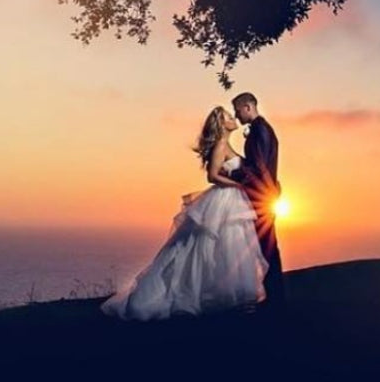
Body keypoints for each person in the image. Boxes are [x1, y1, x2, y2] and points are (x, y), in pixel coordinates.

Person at [100, 106, 267, 320]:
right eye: (228, 116)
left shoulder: (227, 144)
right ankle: (199, 294)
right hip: (225, 198)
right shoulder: (221, 144)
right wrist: (237, 185)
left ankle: (228, 296)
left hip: (232, 199)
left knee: (229, 246)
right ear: (221, 124)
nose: (233, 118)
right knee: (207, 247)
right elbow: (212, 176)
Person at [230, 91, 286, 312]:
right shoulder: (261, 129)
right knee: (265, 246)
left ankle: (275, 299)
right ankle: (274, 297)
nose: (235, 114)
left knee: (267, 247)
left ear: (248, 107)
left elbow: (260, 166)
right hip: (265, 193)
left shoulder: (260, 130)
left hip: (261, 196)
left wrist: (236, 173)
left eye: (237, 109)